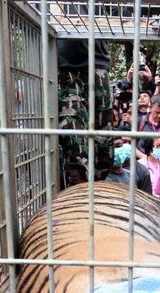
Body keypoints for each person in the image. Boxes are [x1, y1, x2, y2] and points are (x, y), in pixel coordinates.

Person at [57, 39, 113, 187]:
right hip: (64, 64)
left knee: (104, 142)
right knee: (75, 140)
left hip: (98, 61)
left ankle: (98, 192)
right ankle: (79, 195)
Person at [137, 94, 160, 159]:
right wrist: (145, 158)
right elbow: (131, 144)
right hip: (144, 162)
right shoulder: (139, 122)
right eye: (157, 112)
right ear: (150, 107)